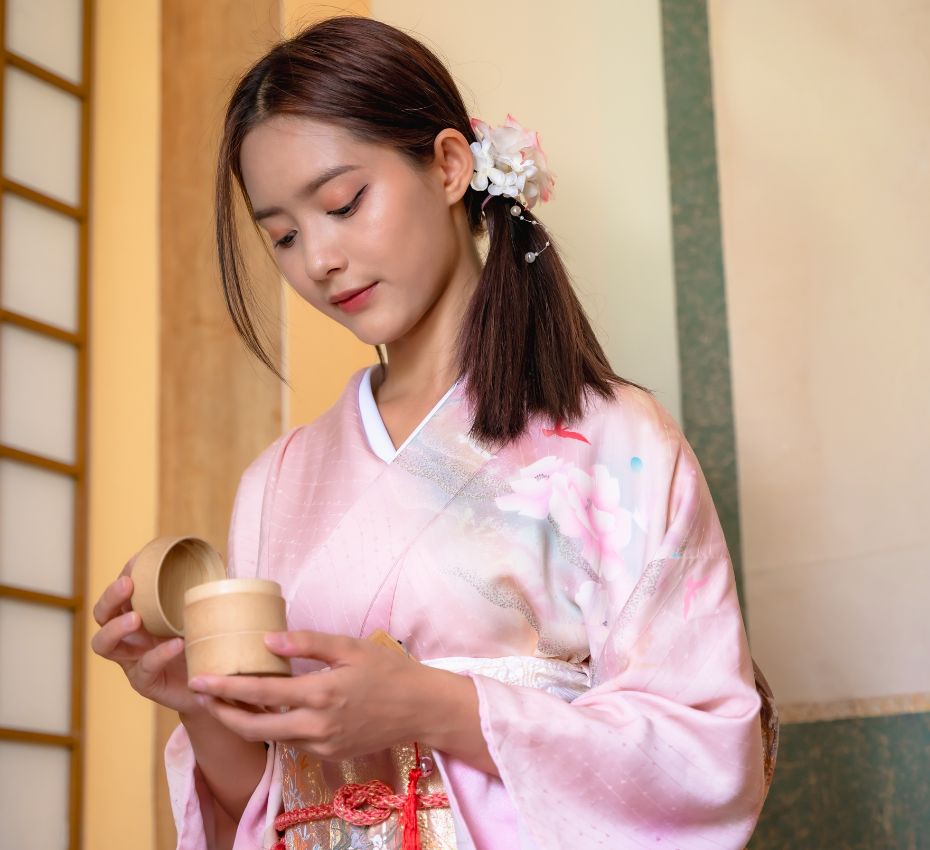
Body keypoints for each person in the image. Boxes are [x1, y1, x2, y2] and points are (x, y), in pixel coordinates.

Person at [91, 14, 776, 850]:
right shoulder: (276, 483)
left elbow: (707, 754)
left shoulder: (616, 441)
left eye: (344, 203)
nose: (320, 259)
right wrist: (196, 703)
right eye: (283, 235)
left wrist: (435, 707)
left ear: (450, 165)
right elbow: (275, 804)